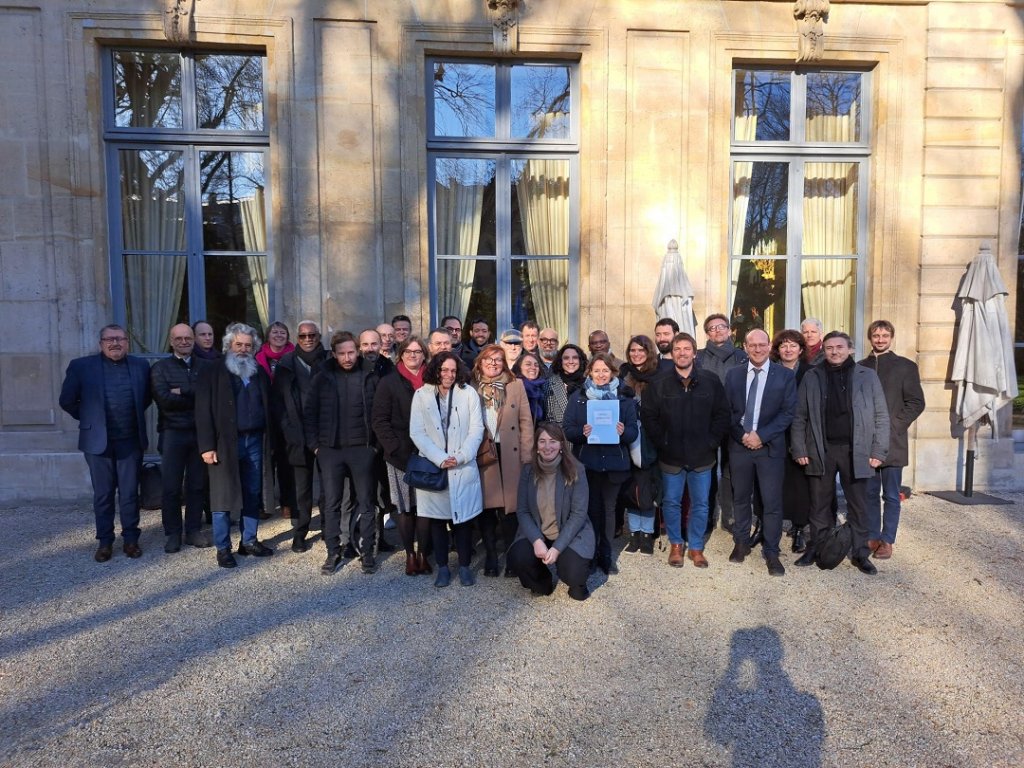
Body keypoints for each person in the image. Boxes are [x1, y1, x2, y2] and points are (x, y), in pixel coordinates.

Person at [791, 331, 890, 575]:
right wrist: (800, 448)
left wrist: (879, 450)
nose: (834, 351)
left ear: (850, 349)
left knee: (859, 506)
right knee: (819, 504)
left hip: (856, 449)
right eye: (829, 347)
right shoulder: (812, 376)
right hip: (820, 449)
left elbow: (881, 415)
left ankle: (860, 553)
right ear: (824, 350)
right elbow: (799, 416)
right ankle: (817, 547)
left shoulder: (868, 376)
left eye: (839, 347)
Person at [59, 324, 152, 562]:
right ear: (101, 343)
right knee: (103, 494)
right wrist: (91, 418)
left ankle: (131, 540)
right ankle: (105, 542)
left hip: (130, 441)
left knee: (130, 493)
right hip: (97, 443)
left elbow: (146, 399)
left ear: (127, 342)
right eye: (109, 339)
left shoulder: (141, 366)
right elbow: (67, 400)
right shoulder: (81, 366)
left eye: (120, 339)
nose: (115, 343)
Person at [641, 332, 729, 568]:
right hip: (671, 457)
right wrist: (663, 442)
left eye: (686, 349)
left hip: (703, 456)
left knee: (701, 503)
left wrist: (712, 442)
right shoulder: (659, 383)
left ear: (694, 352)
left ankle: (697, 547)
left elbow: (722, 414)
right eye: (677, 349)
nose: (682, 353)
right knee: (671, 502)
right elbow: (649, 417)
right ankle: (676, 544)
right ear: (672, 352)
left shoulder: (710, 381)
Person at [195, 322, 275, 568]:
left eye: (248, 345)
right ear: (229, 344)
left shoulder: (258, 371)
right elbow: (202, 412)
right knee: (222, 495)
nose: (242, 349)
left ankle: (249, 541)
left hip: (254, 440)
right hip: (224, 443)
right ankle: (223, 547)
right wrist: (207, 446)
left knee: (252, 492)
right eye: (238, 344)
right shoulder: (212, 371)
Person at [304, 331, 380, 576]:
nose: (347, 357)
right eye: (342, 353)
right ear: (334, 354)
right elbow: (309, 414)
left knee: (368, 503)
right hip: (331, 451)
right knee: (332, 503)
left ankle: (368, 552)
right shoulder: (322, 376)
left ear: (357, 351)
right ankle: (333, 551)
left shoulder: (370, 374)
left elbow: (380, 413)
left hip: (362, 449)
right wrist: (316, 447)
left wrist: (375, 447)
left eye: (351, 352)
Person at [724, 329, 797, 576]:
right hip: (740, 446)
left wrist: (761, 436)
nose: (758, 349)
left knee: (771, 502)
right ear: (744, 347)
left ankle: (772, 551)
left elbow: (788, 413)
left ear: (769, 346)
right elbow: (727, 412)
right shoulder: (733, 375)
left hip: (770, 448)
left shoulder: (784, 376)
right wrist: (743, 435)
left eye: (762, 344)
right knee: (741, 498)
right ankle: (741, 542)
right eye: (752, 345)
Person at [408, 351, 485, 587]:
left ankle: (463, 566)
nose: (449, 375)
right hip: (435, 467)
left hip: (462, 466)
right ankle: (442, 567)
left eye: (453, 370)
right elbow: (417, 432)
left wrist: (461, 456)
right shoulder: (421, 395)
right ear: (436, 370)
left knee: (462, 521)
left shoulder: (468, 393)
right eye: (444, 370)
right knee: (437, 521)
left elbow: (477, 429)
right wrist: (440, 458)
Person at [563, 352, 638, 575]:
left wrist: (623, 432)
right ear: (590, 373)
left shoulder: (624, 398)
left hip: (614, 465)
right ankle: (591, 553)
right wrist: (582, 432)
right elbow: (568, 430)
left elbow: (633, 432)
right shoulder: (578, 397)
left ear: (612, 372)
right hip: (588, 464)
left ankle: (606, 555)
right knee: (591, 510)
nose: (601, 374)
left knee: (609, 509)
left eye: (605, 370)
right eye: (597, 370)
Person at [858, 320, 925, 560]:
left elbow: (916, 402)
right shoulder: (860, 367)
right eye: (876, 335)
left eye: (885, 335)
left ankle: (887, 540)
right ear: (870, 338)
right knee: (870, 493)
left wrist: (894, 426)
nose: (880, 339)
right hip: (866, 442)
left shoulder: (905, 366)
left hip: (893, 442)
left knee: (891, 494)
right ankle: (873, 535)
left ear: (891, 338)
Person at [506, 423, 594, 601]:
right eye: (542, 441)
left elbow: (578, 514)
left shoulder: (576, 469)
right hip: (539, 529)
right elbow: (522, 511)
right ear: (536, 446)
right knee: (519, 557)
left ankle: (575, 580)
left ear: (561, 444)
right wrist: (537, 541)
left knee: (573, 573)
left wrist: (557, 549)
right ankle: (541, 582)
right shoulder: (528, 470)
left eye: (553, 441)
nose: (547, 447)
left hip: (569, 531)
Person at [472, 344, 534, 576]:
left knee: (510, 510)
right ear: (480, 362)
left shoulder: (515, 385)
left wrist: (527, 454)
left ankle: (510, 557)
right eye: (488, 359)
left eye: (498, 359)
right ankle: (490, 556)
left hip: (511, 453)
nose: (493, 363)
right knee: (487, 509)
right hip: (483, 452)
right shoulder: (471, 387)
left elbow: (526, 421)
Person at [372, 336, 432, 575]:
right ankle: (409, 554)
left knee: (426, 506)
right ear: (401, 354)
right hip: (400, 455)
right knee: (405, 507)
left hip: (429, 454)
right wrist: (394, 448)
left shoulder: (432, 380)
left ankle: (424, 554)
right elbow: (379, 419)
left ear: (424, 354)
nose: (413, 355)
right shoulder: (389, 382)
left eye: (418, 351)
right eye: (408, 351)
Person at [150, 323, 211, 553]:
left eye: (187, 338)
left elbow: (209, 396)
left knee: (197, 485)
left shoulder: (206, 367)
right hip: (172, 433)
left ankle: (193, 530)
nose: (184, 342)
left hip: (199, 433)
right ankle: (173, 533)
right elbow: (164, 400)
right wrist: (194, 395)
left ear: (194, 340)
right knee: (171, 487)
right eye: (179, 338)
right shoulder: (160, 368)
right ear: (171, 341)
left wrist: (182, 391)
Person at [271, 320, 329, 552]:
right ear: (297, 338)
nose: (308, 339)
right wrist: (288, 430)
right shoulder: (286, 363)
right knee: (301, 489)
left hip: (325, 434)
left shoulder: (329, 360)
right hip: (297, 435)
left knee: (329, 486)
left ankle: (328, 528)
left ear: (318, 336)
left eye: (312, 335)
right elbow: (279, 403)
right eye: (303, 336)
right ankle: (300, 532)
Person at [696, 312, 748, 536]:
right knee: (705, 469)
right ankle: (706, 515)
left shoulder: (741, 356)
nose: (717, 331)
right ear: (706, 333)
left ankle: (729, 515)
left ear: (729, 330)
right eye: (712, 328)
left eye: (721, 327)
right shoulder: (698, 357)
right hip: (705, 422)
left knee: (730, 470)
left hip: (735, 421)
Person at [770, 329, 813, 553]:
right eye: (783, 345)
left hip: (801, 436)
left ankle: (799, 528)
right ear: (777, 350)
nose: (788, 349)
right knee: (775, 483)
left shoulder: (810, 372)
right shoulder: (770, 371)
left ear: (801, 349)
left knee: (799, 484)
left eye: (793, 345)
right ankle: (770, 526)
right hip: (775, 434)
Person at [619, 335, 661, 555]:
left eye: (641, 350)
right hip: (627, 437)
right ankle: (634, 533)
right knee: (631, 488)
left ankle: (647, 534)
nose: (636, 354)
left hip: (650, 438)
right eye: (633, 350)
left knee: (647, 488)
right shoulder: (624, 374)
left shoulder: (658, 376)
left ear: (649, 352)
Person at [257, 321, 295, 520]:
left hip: (288, 417)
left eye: (283, 332)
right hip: (265, 419)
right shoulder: (258, 358)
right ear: (268, 336)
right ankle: (264, 504)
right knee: (265, 463)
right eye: (275, 332)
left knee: (287, 463)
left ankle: (287, 503)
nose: (278, 335)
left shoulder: (295, 358)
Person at [543, 344, 587, 426]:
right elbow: (547, 420)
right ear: (560, 361)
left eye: (575, 357)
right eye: (566, 358)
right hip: (559, 437)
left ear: (580, 360)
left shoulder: (590, 384)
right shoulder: (549, 384)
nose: (571, 361)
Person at [513, 350, 546, 422]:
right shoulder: (514, 388)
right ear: (519, 367)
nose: (533, 367)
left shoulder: (542, 388)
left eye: (536, 365)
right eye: (528, 364)